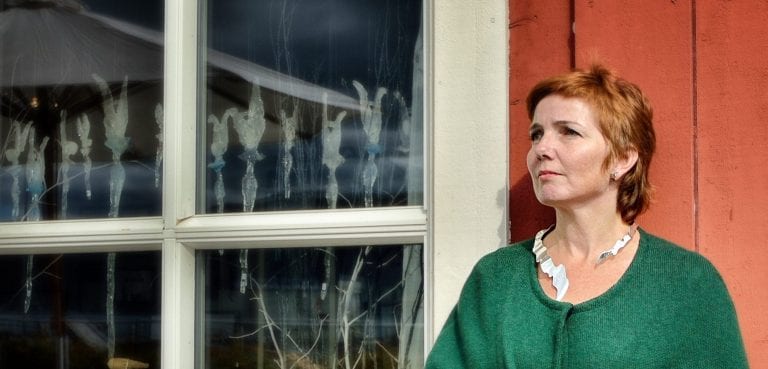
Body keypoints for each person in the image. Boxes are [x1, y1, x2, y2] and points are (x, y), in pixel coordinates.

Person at [425, 64, 749, 368]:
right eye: (536, 134)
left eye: (568, 132)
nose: (542, 149)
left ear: (622, 159)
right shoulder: (496, 278)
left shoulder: (687, 283)